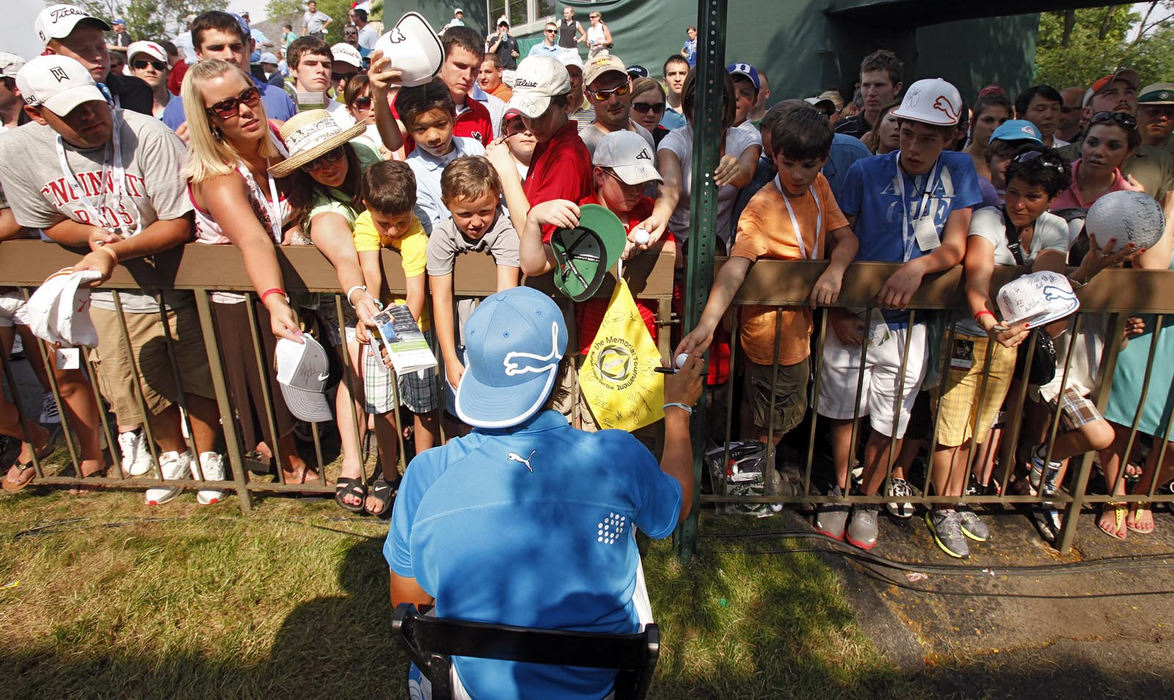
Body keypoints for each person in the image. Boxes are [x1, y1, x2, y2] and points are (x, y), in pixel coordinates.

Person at [386, 285, 702, 700]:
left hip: (470, 688)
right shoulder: (618, 456)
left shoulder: (426, 473)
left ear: (472, 369)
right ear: (558, 371)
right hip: (598, 686)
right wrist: (677, 413)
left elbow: (409, 602)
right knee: (628, 540)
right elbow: (673, 507)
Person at [1, 55, 225, 505]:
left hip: (175, 281)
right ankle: (171, 453)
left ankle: (208, 456)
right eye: (71, 112)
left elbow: (179, 223)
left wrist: (112, 251)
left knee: (198, 376)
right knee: (138, 382)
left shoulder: (148, 135)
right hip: (108, 294)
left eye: (93, 103)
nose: (89, 116)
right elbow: (45, 219)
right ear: (36, 114)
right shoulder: (19, 151)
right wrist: (88, 235)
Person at [814, 78, 979, 551]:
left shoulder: (960, 170)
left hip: (912, 321)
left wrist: (918, 269)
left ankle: (868, 500)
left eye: (928, 138)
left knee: (893, 415)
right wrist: (839, 313)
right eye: (907, 133)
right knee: (844, 408)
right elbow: (839, 239)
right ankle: (842, 492)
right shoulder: (865, 171)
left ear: (950, 138)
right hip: (858, 312)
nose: (913, 146)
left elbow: (955, 245)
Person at [677, 105, 858, 452]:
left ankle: (750, 473)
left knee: (768, 410)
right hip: (771, 334)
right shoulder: (760, 207)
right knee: (773, 415)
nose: (798, 174)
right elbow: (735, 268)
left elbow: (846, 238)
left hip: (799, 327)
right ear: (774, 155)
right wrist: (707, 325)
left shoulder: (820, 185)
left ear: (823, 159)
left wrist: (835, 271)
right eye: (788, 163)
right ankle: (754, 476)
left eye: (808, 165)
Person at [927, 151, 1072, 556]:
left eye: (1033, 196)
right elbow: (978, 278)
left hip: (1011, 340)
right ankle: (942, 507)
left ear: (1051, 198)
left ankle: (955, 500)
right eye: (1015, 192)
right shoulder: (988, 218)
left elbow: (1048, 277)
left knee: (979, 425)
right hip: (969, 335)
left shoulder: (1055, 227)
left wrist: (1016, 327)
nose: (1020, 203)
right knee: (950, 427)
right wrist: (992, 323)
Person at [181, 58, 317, 487]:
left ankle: (296, 442)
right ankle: (285, 458)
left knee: (293, 372)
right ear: (208, 120)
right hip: (239, 296)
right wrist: (274, 299)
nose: (243, 110)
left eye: (248, 96)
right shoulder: (219, 176)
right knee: (262, 381)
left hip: (277, 283)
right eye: (225, 107)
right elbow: (255, 239)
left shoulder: (277, 137)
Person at [271, 110, 391, 507]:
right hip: (346, 300)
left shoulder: (367, 157)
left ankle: (392, 460)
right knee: (356, 372)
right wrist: (360, 298)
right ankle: (354, 465)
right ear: (303, 170)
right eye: (314, 162)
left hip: (390, 284)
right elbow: (345, 259)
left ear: (346, 148)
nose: (327, 166)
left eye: (333, 154)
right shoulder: (323, 214)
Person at [348, 160, 440, 515]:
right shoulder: (363, 225)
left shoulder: (417, 235)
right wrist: (370, 319)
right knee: (381, 406)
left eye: (400, 221)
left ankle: (424, 477)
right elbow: (371, 274)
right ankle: (388, 475)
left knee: (423, 407)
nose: (392, 230)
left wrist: (400, 342)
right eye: (383, 223)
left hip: (415, 330)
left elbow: (416, 296)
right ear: (367, 207)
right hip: (380, 328)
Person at [1099, 196, 1174, 537]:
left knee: (1171, 439)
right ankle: (1116, 494)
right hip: (1145, 333)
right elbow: (1154, 266)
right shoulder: (1161, 214)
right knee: (1121, 421)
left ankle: (1144, 492)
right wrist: (1171, 204)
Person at [426, 156, 520, 412]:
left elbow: (506, 296)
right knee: (460, 411)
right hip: (459, 341)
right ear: (447, 205)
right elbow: (441, 297)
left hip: (498, 343)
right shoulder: (443, 234)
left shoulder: (504, 231)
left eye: (484, 212)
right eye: (465, 214)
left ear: (497, 198)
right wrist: (449, 357)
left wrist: (496, 353)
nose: (476, 222)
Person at [485, 56, 592, 244]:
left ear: (567, 104)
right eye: (524, 114)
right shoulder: (547, 141)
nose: (531, 125)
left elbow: (533, 239)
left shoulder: (566, 156)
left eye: (541, 114)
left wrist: (506, 169)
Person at [657, 70, 761, 248]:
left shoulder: (746, 139)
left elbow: (746, 172)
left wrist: (735, 171)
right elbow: (669, 187)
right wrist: (658, 220)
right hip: (678, 250)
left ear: (728, 103)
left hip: (720, 251)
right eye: (697, 102)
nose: (707, 109)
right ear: (687, 105)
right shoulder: (674, 141)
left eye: (716, 101)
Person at [161, 11, 296, 136]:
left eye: (235, 47)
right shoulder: (178, 110)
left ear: (248, 47)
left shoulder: (279, 98)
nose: (229, 55)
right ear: (199, 53)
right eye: (217, 48)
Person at [382, 27, 495, 154]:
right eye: (460, 66)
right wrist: (378, 97)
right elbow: (393, 142)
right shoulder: (414, 97)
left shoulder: (481, 113)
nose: (468, 76)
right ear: (441, 60)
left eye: (475, 69)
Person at [396, 80, 487, 232]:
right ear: (409, 130)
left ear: (453, 118)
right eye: (420, 129)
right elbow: (432, 228)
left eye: (440, 125)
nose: (433, 136)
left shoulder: (474, 148)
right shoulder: (412, 172)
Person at [37, 4, 153, 116]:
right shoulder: (43, 105)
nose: (97, 56)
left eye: (101, 47)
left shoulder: (137, 90)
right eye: (83, 49)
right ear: (52, 54)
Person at [1050, 111, 1143, 212]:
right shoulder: (1051, 179)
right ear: (1082, 143)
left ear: (1129, 152)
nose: (1099, 152)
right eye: (1092, 143)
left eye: (1113, 146)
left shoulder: (1130, 199)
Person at [580, 53, 655, 156]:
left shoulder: (645, 135)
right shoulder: (584, 145)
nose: (613, 101)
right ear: (588, 97)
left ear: (630, 84)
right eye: (602, 95)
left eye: (620, 89)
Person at [835, 49, 903, 139]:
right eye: (866, 85)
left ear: (897, 88)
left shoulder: (907, 132)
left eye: (879, 85)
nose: (871, 93)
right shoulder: (840, 132)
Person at [964, 93, 1011, 180]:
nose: (996, 128)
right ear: (973, 122)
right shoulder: (954, 162)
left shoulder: (1012, 166)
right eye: (988, 120)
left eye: (1003, 122)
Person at [125, 41, 171, 118]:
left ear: (167, 72)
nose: (150, 69)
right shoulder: (124, 111)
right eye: (141, 64)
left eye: (158, 65)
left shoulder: (185, 106)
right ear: (132, 70)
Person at [630, 77, 670, 147]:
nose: (651, 114)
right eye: (642, 107)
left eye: (657, 107)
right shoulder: (614, 140)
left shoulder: (669, 139)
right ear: (628, 106)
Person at [1137, 83, 1174, 151]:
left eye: (1169, 113)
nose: (1162, 118)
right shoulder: (1120, 143)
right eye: (1154, 112)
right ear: (1137, 113)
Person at [727, 63, 760, 133]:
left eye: (745, 93)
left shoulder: (751, 137)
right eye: (730, 90)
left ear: (754, 102)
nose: (736, 96)